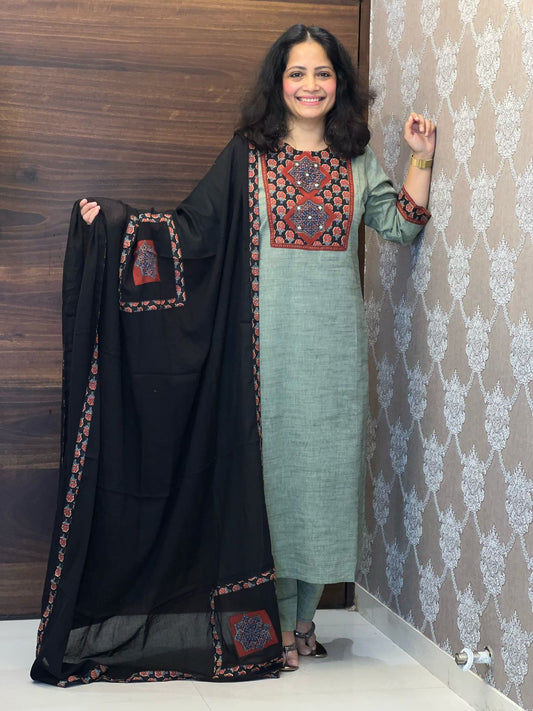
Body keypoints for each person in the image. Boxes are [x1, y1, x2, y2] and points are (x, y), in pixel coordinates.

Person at [53, 24, 435, 682]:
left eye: (322, 73)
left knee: (324, 481)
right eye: (297, 73)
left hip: (334, 354)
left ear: (339, 84)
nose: (311, 85)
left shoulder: (356, 158)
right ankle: (276, 624)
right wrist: (118, 226)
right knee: (274, 483)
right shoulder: (248, 156)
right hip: (261, 354)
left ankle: (305, 620)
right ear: (277, 84)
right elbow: (190, 232)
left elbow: (400, 225)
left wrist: (421, 158)